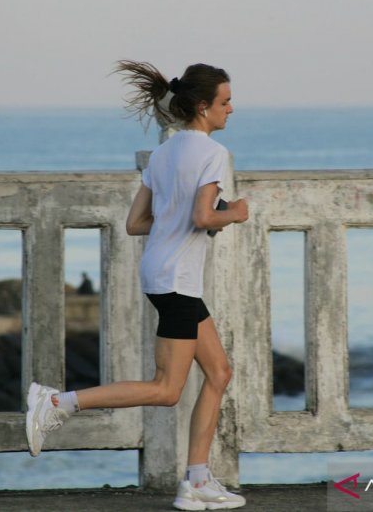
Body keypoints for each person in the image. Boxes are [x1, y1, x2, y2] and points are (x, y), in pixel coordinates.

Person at [26, 60, 250, 511]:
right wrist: (236, 212)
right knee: (167, 389)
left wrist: (181, 220)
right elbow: (204, 217)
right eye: (225, 102)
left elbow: (135, 223)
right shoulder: (212, 154)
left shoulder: (165, 153)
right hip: (177, 281)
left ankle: (199, 480)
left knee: (219, 373)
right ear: (203, 107)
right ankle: (56, 402)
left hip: (162, 273)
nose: (232, 109)